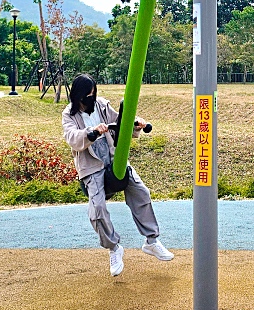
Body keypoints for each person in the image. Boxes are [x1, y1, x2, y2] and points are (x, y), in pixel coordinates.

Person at [61, 73, 173, 276]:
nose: (91, 99)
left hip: (115, 160)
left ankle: (151, 241)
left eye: (93, 94)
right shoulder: (69, 114)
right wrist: (92, 132)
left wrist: (137, 123)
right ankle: (114, 248)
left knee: (141, 193)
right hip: (92, 167)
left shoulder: (102, 105)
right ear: (77, 96)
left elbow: (120, 122)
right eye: (87, 96)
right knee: (97, 210)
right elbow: (71, 137)